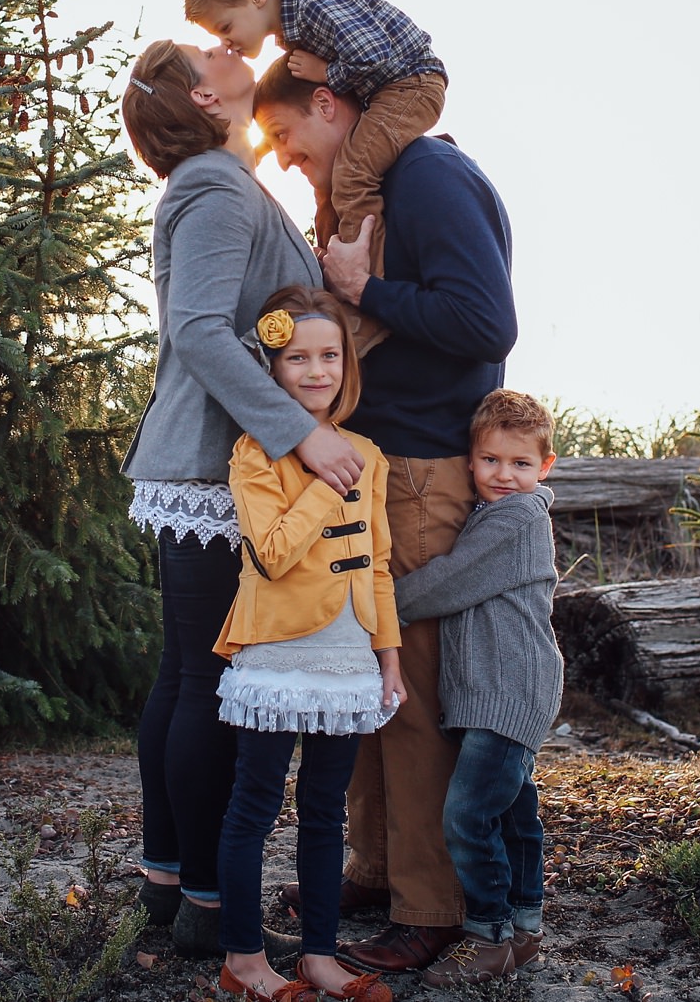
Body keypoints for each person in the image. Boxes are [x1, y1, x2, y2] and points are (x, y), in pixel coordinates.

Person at [252, 64, 517, 977]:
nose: (289, 162)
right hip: (374, 463)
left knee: (410, 696)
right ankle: (376, 866)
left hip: (421, 469)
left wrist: (363, 293)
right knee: (359, 678)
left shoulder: (428, 177)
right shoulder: (382, 187)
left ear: (328, 105)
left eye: (288, 139)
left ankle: (432, 902)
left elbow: (487, 321)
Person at [119, 39, 367, 960]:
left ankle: (169, 882)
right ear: (200, 94)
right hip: (220, 467)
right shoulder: (218, 183)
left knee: (185, 675)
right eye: (210, 52)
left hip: (206, 463)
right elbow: (195, 328)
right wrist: (300, 430)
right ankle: (209, 905)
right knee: (210, 683)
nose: (232, 49)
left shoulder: (219, 178)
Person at [212, 286, 405, 1002]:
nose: (317, 369)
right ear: (274, 367)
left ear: (346, 364)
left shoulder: (369, 454)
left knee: (327, 808)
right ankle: (244, 960)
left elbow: (378, 562)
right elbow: (271, 553)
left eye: (330, 355)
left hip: (349, 654)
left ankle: (320, 955)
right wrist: (326, 483)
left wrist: (389, 655)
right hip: (277, 653)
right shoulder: (256, 451)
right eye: (299, 357)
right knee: (255, 803)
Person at [183, 0, 447, 346]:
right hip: (389, 89)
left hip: (412, 84)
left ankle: (363, 288)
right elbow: (298, 105)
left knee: (354, 170)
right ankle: (333, 286)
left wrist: (328, 72)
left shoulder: (312, 10)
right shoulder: (293, 31)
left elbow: (373, 54)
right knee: (329, 188)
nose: (229, 44)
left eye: (226, 28)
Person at [392, 390, 563, 986]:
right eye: (491, 460)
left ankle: (487, 937)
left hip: (510, 689)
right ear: (470, 461)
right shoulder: (490, 515)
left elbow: (447, 583)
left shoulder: (519, 518)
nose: (504, 475)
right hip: (491, 692)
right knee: (514, 815)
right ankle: (525, 927)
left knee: (467, 815)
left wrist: (377, 608)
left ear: (545, 466)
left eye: (520, 463)